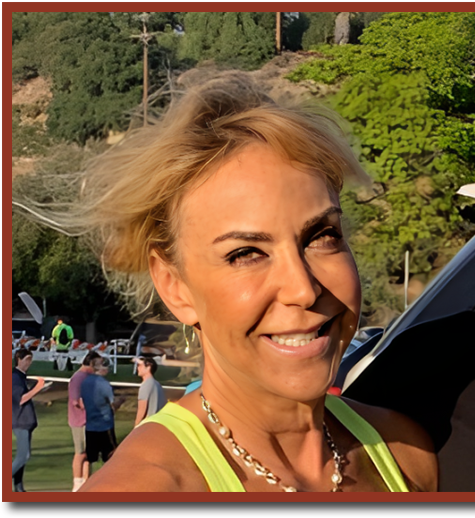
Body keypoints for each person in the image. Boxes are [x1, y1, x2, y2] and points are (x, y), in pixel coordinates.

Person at [46, 71, 437, 492]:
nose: (303, 289)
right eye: (245, 254)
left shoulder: (409, 455)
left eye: (322, 236)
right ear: (175, 286)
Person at [80, 357, 125, 474]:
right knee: (110, 456)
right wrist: (121, 400)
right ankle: (110, 483)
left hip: (90, 426)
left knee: (89, 458)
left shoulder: (85, 383)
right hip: (105, 425)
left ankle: (85, 483)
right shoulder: (104, 384)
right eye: (106, 367)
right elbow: (113, 405)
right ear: (101, 369)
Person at [12, 348, 46, 492]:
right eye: (27, 360)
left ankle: (19, 488)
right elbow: (19, 399)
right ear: (19, 359)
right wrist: (38, 387)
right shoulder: (14, 377)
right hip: (20, 421)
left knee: (23, 458)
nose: (29, 363)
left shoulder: (21, 377)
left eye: (30, 360)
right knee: (23, 456)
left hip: (25, 421)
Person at [67, 350, 101, 492]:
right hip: (80, 421)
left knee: (89, 454)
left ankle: (87, 483)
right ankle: (77, 483)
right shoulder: (78, 378)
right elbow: (76, 401)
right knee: (80, 453)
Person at [134, 357, 167, 427]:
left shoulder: (146, 385)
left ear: (148, 367)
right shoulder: (157, 384)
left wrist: (136, 426)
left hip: (147, 425)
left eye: (140, 365)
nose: (138, 368)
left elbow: (142, 409)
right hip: (158, 423)